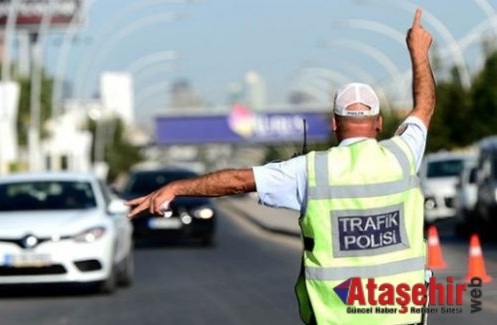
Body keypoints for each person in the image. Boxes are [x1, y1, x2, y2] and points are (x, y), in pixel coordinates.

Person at [126, 8, 434, 325]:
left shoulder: (311, 170)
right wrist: (418, 52)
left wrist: (177, 188)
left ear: (333, 124)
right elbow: (424, 106)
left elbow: (235, 181)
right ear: (380, 123)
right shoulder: (403, 155)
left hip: (336, 317)